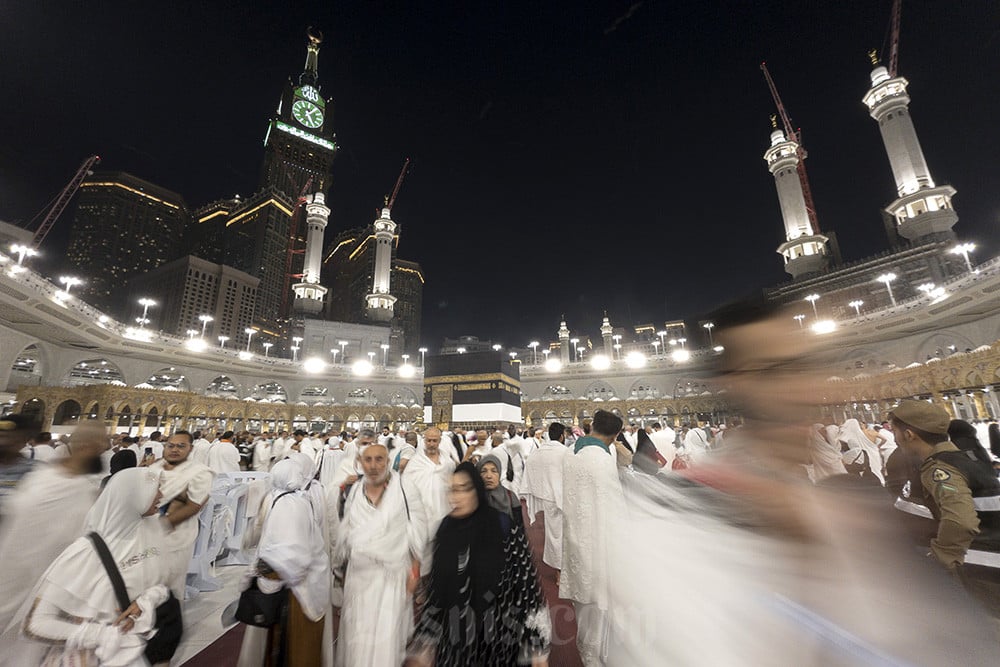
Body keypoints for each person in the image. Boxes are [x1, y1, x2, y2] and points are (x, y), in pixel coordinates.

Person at [6, 467, 170, 666]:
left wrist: (147, 600)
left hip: (128, 654)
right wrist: (103, 634)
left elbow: (159, 582)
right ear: (133, 495)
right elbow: (35, 624)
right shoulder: (86, 552)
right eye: (155, 489)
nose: (161, 495)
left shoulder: (148, 535)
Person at [407, 462, 551, 666]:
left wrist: (536, 646)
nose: (455, 497)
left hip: (501, 638)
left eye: (463, 489)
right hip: (456, 641)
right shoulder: (446, 529)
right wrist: (425, 643)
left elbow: (526, 585)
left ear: (476, 490)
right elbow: (437, 589)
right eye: (452, 490)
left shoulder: (502, 526)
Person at [0, 421, 105, 638]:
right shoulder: (46, 478)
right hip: (16, 570)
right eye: (101, 445)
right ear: (88, 446)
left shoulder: (44, 477)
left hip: (40, 579)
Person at [333, 441, 427, 666]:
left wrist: (415, 569)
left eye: (379, 459)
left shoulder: (405, 488)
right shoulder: (353, 491)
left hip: (392, 576)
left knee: (386, 635)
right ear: (360, 463)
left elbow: (418, 528)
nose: (374, 466)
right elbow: (346, 534)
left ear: (387, 461)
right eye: (368, 460)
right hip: (359, 577)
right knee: (357, 634)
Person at [237, 456, 333, 667]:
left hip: (293, 587)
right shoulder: (300, 498)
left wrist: (261, 574)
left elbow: (291, 554)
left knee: (291, 646)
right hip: (303, 583)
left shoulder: (287, 501)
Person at [889, 400, 1000, 572]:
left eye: (895, 431)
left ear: (909, 435)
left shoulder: (940, 468)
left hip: (982, 561)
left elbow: (962, 522)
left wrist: (941, 558)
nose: (894, 438)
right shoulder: (961, 458)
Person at [560, 409, 625, 666]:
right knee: (599, 610)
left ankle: (588, 655)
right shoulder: (602, 458)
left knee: (583, 610)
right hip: (600, 544)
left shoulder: (570, 452)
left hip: (575, 540)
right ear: (615, 434)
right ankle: (595, 659)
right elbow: (615, 505)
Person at [148, 430, 215, 599]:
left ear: (190, 448)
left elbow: (194, 505)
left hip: (176, 537)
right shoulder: (154, 467)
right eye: (171, 445)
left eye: (181, 446)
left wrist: (162, 525)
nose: (175, 449)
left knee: (170, 587)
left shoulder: (199, 472)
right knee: (147, 584)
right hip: (147, 534)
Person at [401, 427, 454, 576]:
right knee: (420, 555)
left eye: (434, 441)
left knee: (439, 554)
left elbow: (451, 485)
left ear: (439, 441)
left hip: (443, 513)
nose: (431, 444)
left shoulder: (448, 463)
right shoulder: (415, 463)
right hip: (421, 517)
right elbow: (406, 487)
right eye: (428, 440)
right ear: (424, 440)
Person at [522, 422, 570, 572]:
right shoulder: (566, 452)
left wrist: (540, 487)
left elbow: (530, 464)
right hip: (566, 497)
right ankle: (563, 568)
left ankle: (558, 570)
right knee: (566, 533)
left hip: (549, 497)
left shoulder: (541, 451)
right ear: (562, 436)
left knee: (553, 533)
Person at [477, 453, 522, 529]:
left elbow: (520, 525)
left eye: (494, 471)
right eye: (483, 471)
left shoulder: (510, 496)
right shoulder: (474, 498)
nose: (489, 476)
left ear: (500, 473)